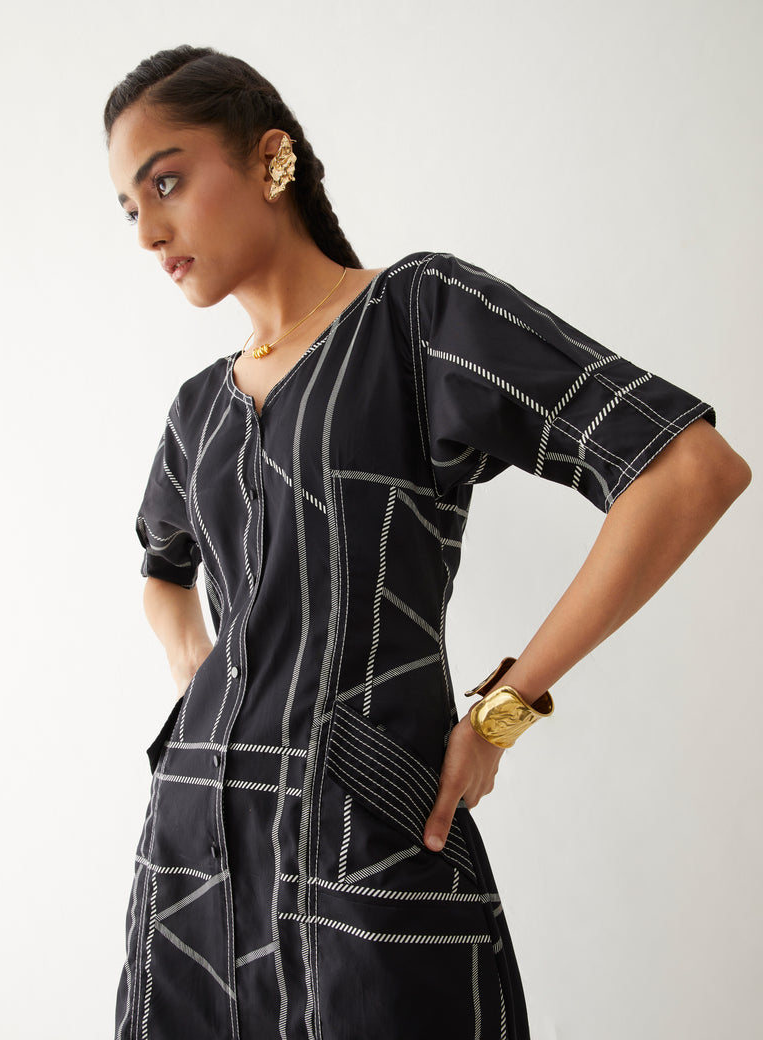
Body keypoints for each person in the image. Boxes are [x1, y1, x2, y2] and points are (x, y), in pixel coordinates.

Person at [105, 44, 751, 1040]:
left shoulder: (415, 318)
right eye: (128, 209)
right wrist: (196, 664)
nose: (150, 231)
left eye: (167, 182)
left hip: (363, 840)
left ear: (271, 159)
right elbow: (162, 567)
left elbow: (688, 471)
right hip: (192, 860)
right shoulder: (199, 410)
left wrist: (501, 709)